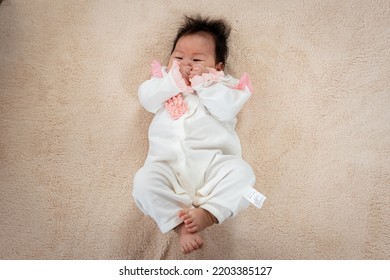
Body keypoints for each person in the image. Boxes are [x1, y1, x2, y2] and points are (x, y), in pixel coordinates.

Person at [133, 15, 263, 254]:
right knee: (143, 183)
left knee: (243, 175)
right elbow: (147, 99)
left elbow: (226, 110)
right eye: (178, 57)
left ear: (218, 67)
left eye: (197, 59)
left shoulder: (223, 85)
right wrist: (173, 81)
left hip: (213, 165)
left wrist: (204, 83)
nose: (186, 64)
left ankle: (209, 213)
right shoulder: (162, 82)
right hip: (166, 167)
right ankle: (180, 225)